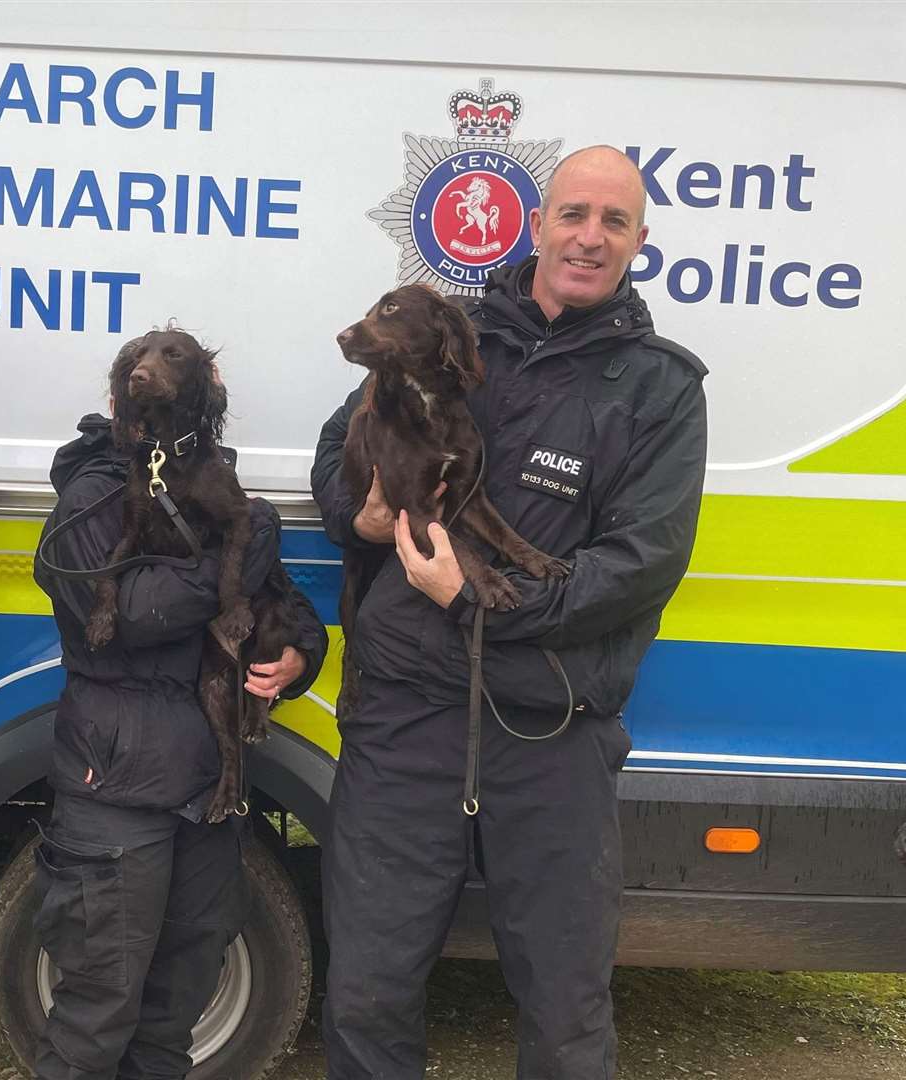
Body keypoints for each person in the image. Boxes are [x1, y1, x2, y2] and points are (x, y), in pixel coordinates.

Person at [313, 145, 708, 1079]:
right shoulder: (449, 337)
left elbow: (643, 563)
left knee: (567, 1014)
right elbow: (341, 450)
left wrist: (486, 601)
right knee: (367, 992)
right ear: (538, 226)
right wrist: (357, 512)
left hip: (552, 728)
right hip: (405, 722)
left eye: (614, 222)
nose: (589, 237)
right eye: (574, 214)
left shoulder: (661, 388)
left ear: (639, 243)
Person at [31, 404, 328, 1080]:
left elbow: (280, 602)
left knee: (175, 1011)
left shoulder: (212, 489)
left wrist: (300, 657)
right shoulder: (92, 495)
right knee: (96, 1013)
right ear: (123, 410)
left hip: (208, 793)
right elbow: (134, 616)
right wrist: (247, 543)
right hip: (116, 791)